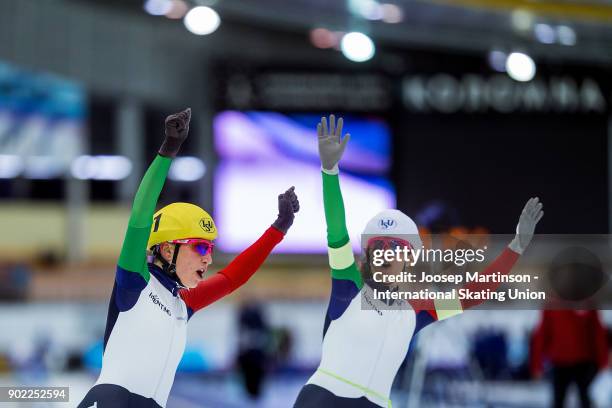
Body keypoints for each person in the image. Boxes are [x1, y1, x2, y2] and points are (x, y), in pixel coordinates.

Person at [293, 115, 544, 408]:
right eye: (379, 246)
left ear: (408, 257)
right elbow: (336, 229)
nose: (386, 253)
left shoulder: (418, 309)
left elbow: (473, 294)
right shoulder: (349, 283)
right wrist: (330, 170)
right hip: (322, 400)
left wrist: (515, 248)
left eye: (394, 247)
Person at [78, 108, 300, 408]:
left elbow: (234, 276)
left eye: (210, 248)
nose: (208, 259)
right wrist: (168, 150)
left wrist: (278, 229)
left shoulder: (184, 304)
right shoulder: (134, 282)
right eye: (200, 248)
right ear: (168, 249)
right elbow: (140, 215)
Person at [531, 310, 609, 408]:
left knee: (585, 398)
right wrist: (537, 365)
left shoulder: (587, 304)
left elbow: (597, 334)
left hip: (584, 362)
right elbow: (542, 335)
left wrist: (603, 361)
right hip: (560, 362)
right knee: (558, 400)